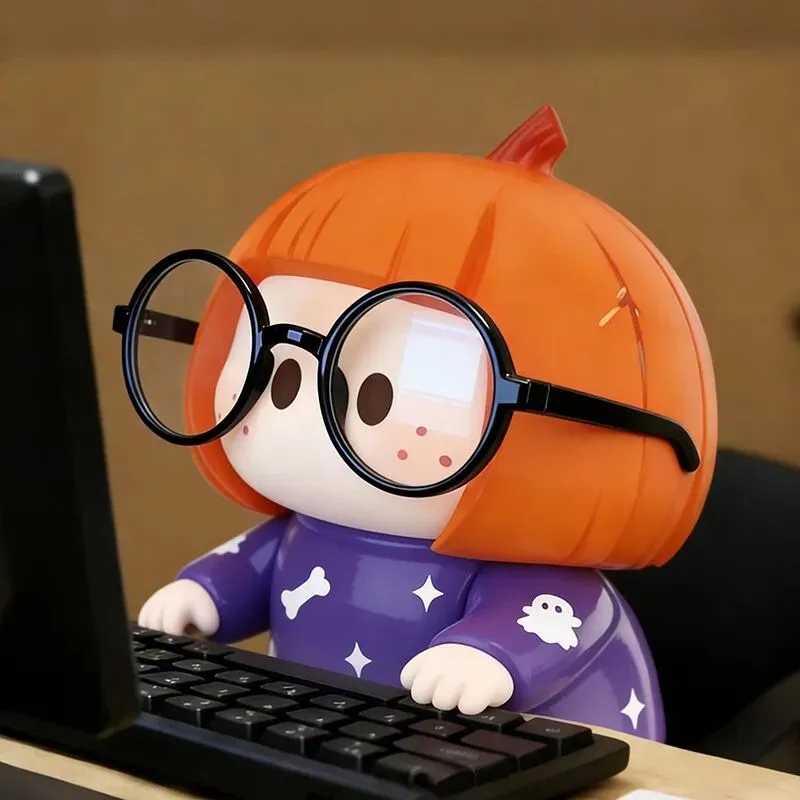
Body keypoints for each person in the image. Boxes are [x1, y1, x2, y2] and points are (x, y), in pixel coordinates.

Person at [118, 105, 717, 741]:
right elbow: (252, 566)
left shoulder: (533, 578)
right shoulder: (303, 533)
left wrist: (488, 656)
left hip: (521, 758)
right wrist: (204, 593)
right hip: (341, 747)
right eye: (278, 372)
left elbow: (555, 622)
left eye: (377, 393)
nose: (297, 409)